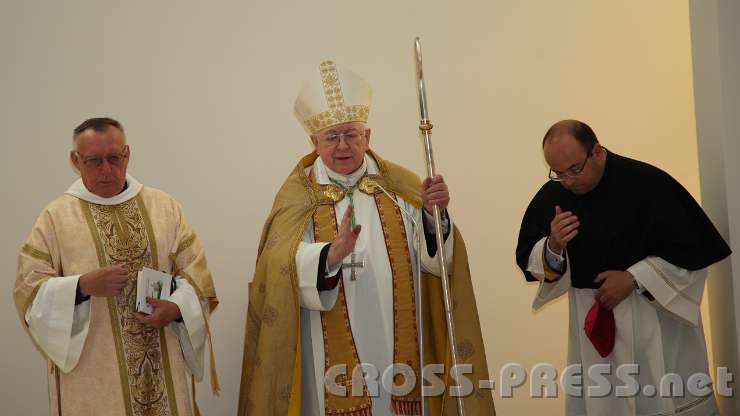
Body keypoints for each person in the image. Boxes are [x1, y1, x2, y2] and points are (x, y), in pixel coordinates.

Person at [238, 60, 495, 415]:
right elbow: (276, 268)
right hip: (324, 356)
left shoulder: (400, 188)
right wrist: (329, 255)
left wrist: (436, 219)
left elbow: (438, 262)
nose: (342, 146)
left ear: (367, 137)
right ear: (314, 141)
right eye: (331, 137)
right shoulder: (298, 197)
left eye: (351, 135)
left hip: (400, 352)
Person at [516, 119, 731, 415]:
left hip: (654, 320)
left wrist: (635, 278)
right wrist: (553, 246)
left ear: (597, 152)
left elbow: (693, 253)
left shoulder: (649, 184)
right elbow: (531, 259)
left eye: (574, 169)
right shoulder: (553, 196)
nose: (567, 181)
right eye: (558, 173)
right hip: (591, 329)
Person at [14, 117, 219, 416]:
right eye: (94, 161)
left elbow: (197, 275)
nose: (107, 170)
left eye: (114, 158)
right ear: (75, 160)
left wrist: (176, 309)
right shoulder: (56, 218)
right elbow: (28, 290)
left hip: (163, 363)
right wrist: (82, 286)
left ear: (127, 154)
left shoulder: (164, 207)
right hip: (94, 377)